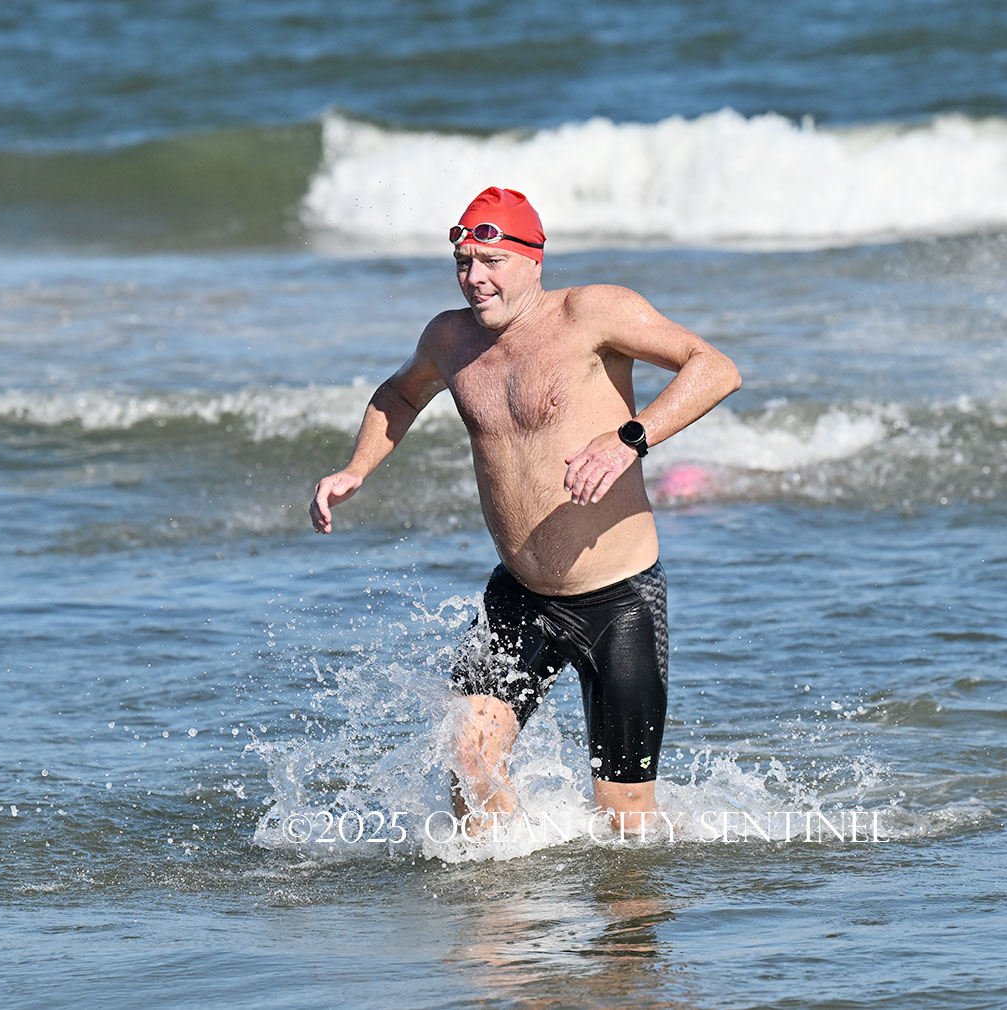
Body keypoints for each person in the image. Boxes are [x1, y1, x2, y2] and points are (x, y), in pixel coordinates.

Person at [309, 187, 741, 834]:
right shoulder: (450, 338)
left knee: (627, 824)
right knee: (468, 761)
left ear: (533, 260)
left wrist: (630, 438)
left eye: (492, 262)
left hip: (618, 604)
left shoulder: (593, 313)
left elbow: (715, 368)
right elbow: (399, 394)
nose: (474, 279)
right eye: (464, 264)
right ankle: (501, 896)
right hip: (520, 595)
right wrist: (356, 468)